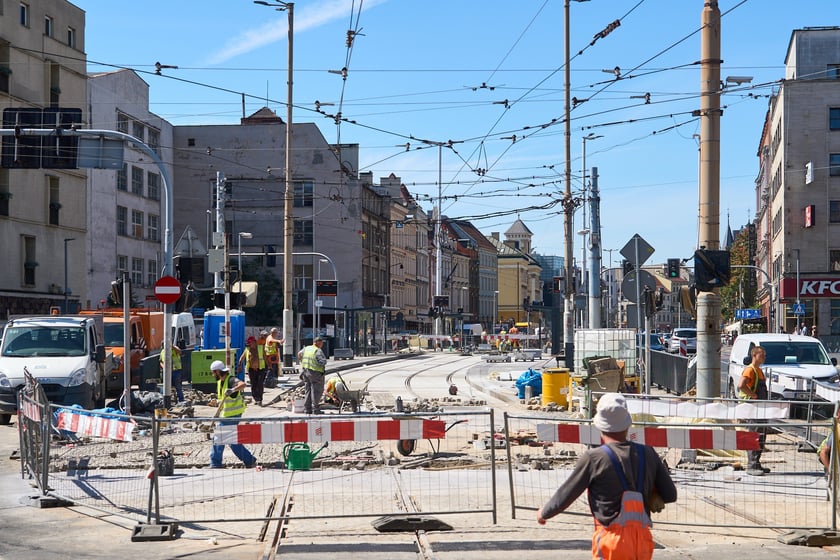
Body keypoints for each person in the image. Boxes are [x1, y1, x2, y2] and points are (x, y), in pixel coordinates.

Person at [537, 393, 677, 560]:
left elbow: (566, 495)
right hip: (642, 542)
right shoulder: (648, 453)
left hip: (612, 544)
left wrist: (544, 513)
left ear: (600, 426)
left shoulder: (594, 458)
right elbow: (670, 494)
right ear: (627, 424)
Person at [209, 360, 257, 469]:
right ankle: (249, 460)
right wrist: (216, 402)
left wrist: (233, 390)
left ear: (218, 371)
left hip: (232, 415)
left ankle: (215, 463)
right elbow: (223, 399)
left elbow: (242, 384)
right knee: (231, 441)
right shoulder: (220, 382)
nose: (213, 375)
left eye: (213, 372)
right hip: (225, 415)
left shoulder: (230, 380)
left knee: (218, 437)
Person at [737, 345, 770, 476]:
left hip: (761, 408)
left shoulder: (759, 371)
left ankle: (757, 463)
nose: (764, 357)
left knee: (761, 435)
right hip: (754, 407)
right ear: (754, 355)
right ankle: (751, 465)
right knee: (754, 435)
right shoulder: (750, 370)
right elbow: (741, 385)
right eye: (762, 355)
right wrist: (753, 395)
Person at [297, 336, 328, 414]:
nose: (322, 345)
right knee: (316, 390)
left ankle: (307, 409)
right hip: (315, 373)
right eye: (321, 343)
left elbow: (299, 354)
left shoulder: (306, 348)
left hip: (305, 372)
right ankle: (315, 409)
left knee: (308, 390)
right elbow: (323, 362)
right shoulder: (318, 351)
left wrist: (302, 362)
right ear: (318, 343)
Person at [238, 336, 266, 406]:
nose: (250, 345)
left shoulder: (260, 348)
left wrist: (269, 366)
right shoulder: (247, 349)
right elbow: (241, 358)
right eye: (249, 343)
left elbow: (265, 357)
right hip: (251, 370)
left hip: (260, 369)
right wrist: (240, 366)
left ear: (254, 342)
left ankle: (260, 399)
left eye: (250, 343)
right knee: (253, 384)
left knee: (260, 384)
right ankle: (256, 398)